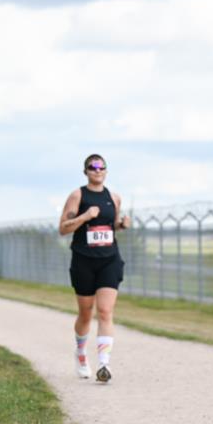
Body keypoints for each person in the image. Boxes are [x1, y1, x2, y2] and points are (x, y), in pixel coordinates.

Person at [58, 154, 130, 383]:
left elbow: (110, 226)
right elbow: (63, 228)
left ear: (106, 171)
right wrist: (85, 216)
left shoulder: (114, 198)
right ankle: (80, 354)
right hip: (84, 260)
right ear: (86, 171)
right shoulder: (78, 195)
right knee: (86, 313)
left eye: (101, 167)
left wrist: (121, 225)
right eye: (93, 167)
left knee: (106, 311)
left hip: (109, 259)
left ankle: (104, 365)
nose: (97, 170)